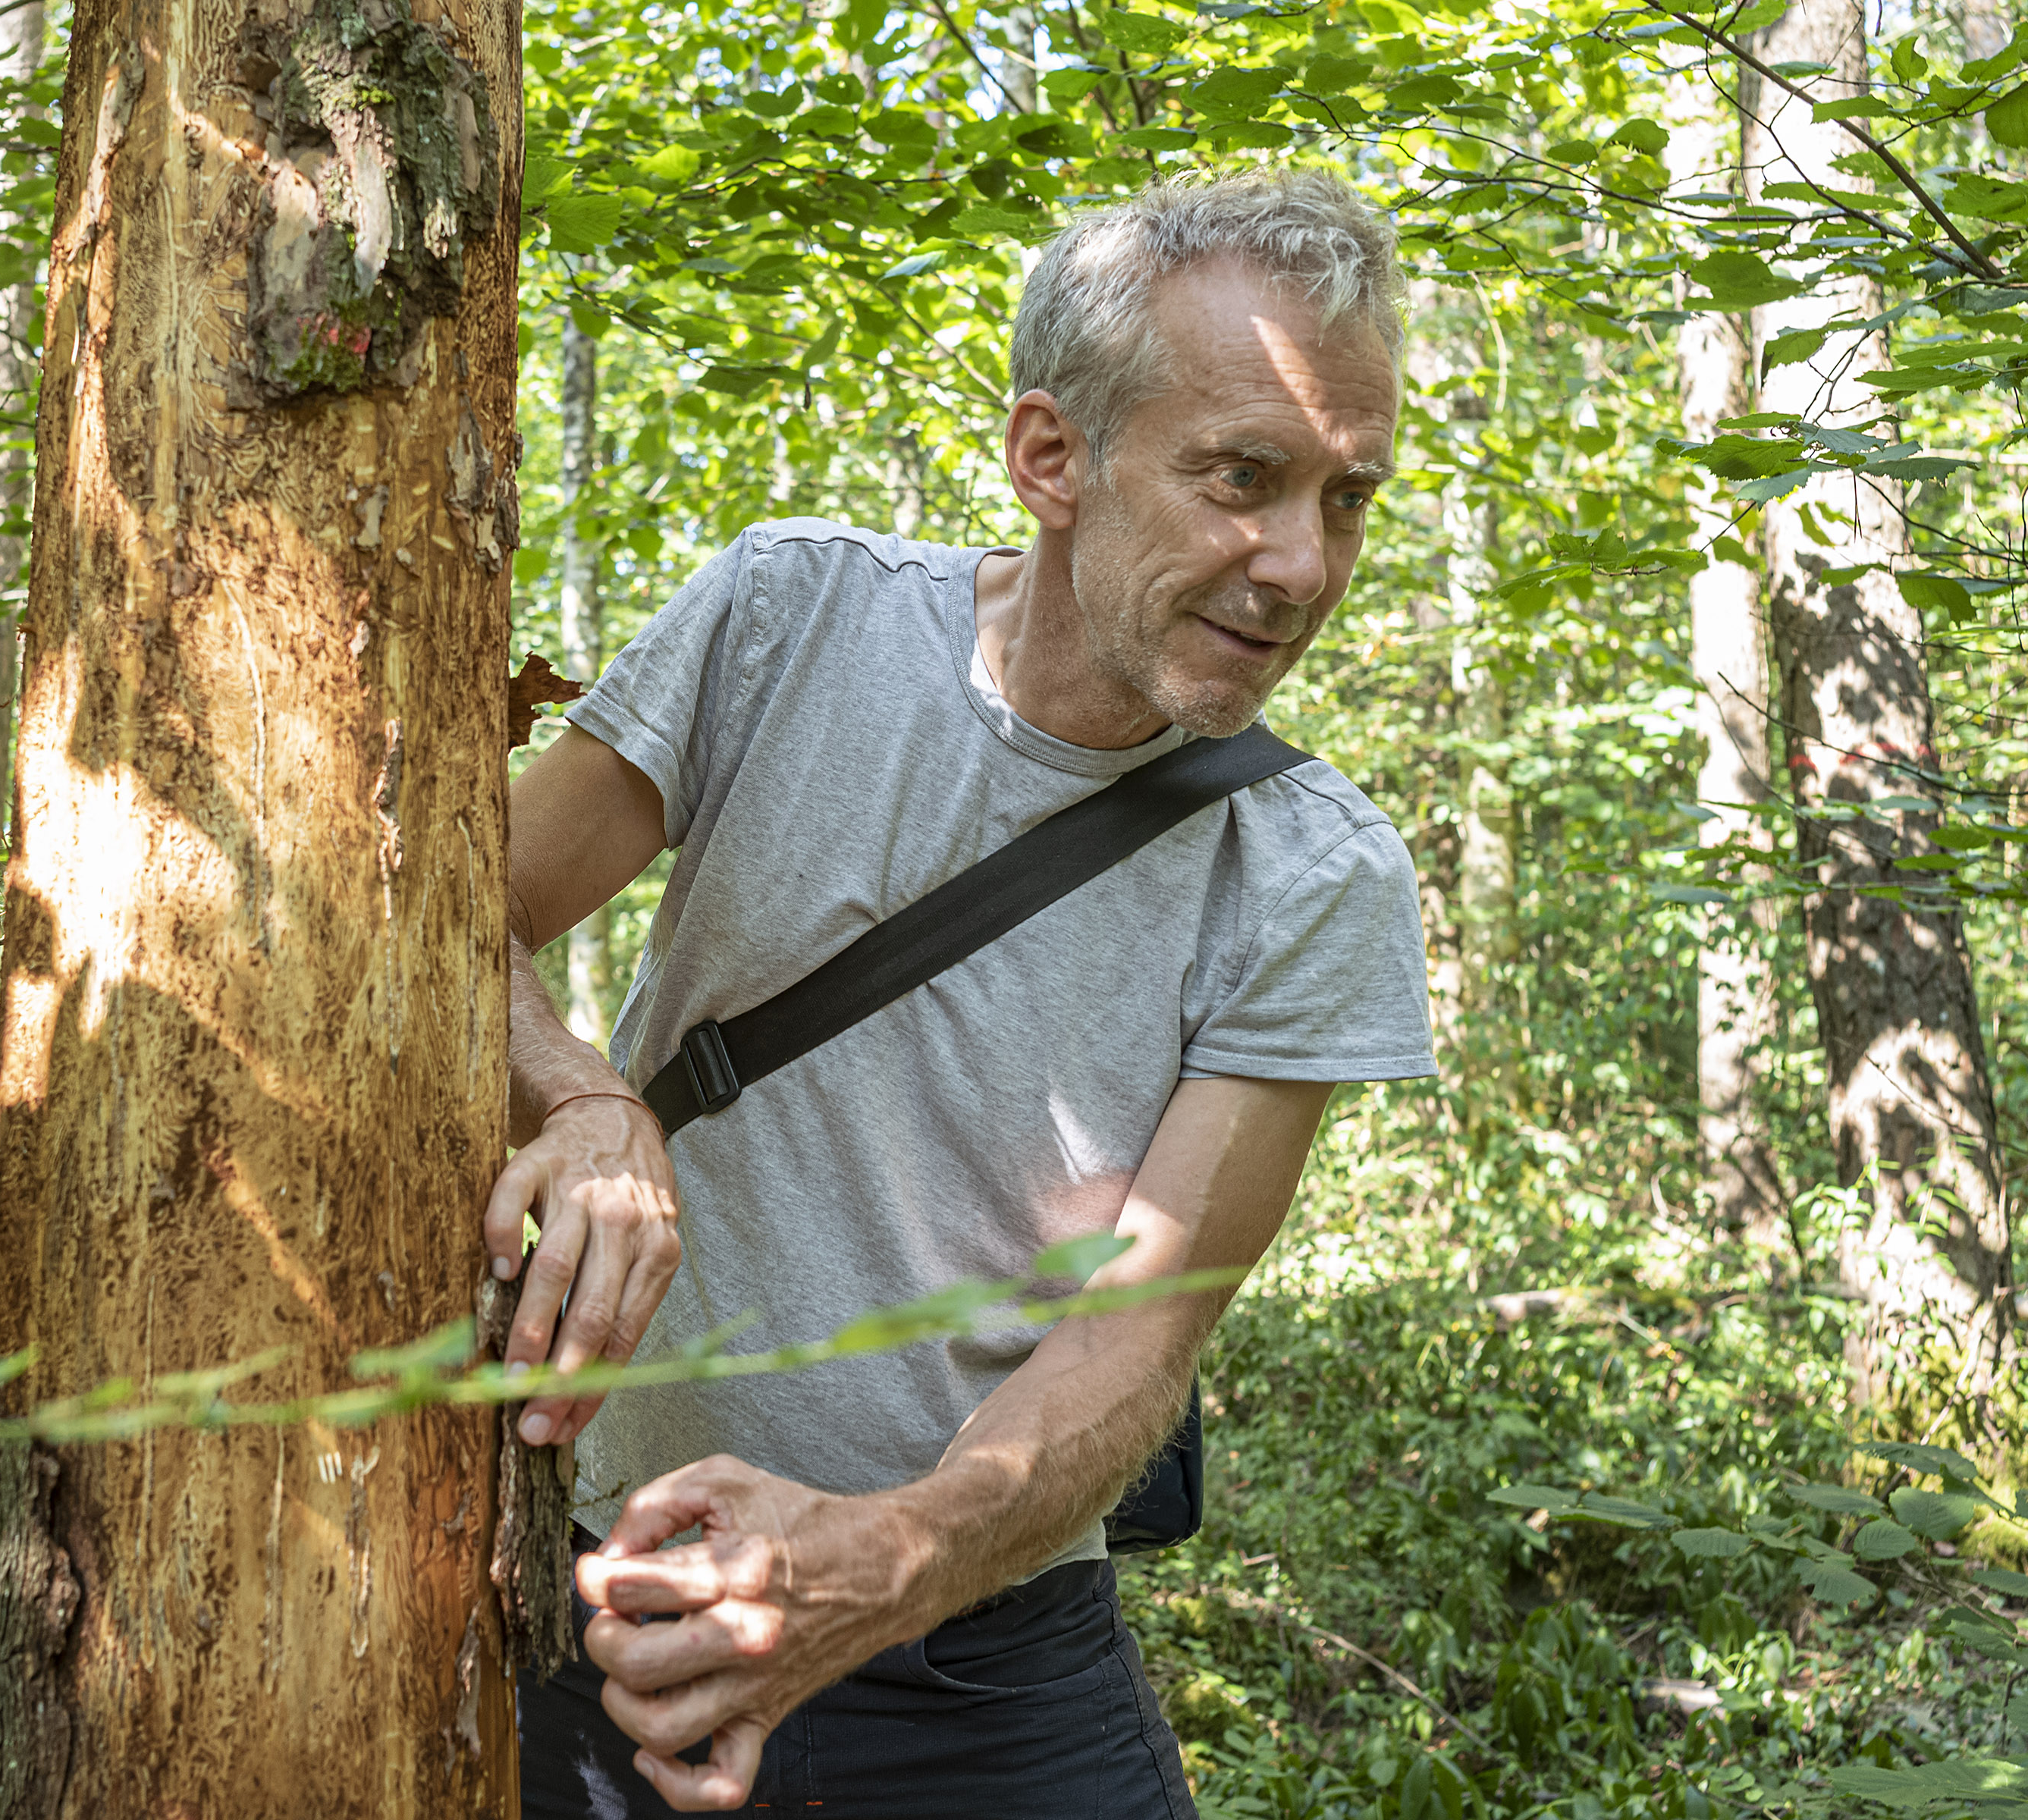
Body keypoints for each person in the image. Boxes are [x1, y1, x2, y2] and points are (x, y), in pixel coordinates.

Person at [488, 170, 1437, 1818]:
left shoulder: (1313, 873)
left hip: (993, 1665)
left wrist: (883, 1562)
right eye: (1244, 477)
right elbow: (440, 922)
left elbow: (1133, 1346)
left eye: (1347, 497)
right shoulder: (789, 620)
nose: (1299, 565)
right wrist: (582, 1096)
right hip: (615, 1604)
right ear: (1050, 456)